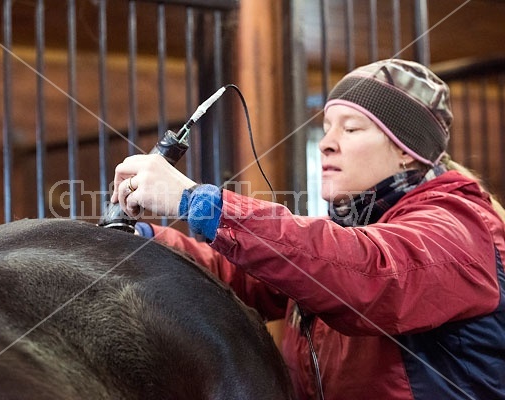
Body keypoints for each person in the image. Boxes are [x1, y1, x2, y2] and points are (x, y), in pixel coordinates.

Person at [111, 59, 505, 400]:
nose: (327, 144)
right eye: (327, 127)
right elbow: (245, 278)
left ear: (406, 151)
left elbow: (369, 273)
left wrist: (197, 200)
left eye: (350, 129)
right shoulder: (359, 226)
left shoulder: (459, 226)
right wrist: (141, 242)